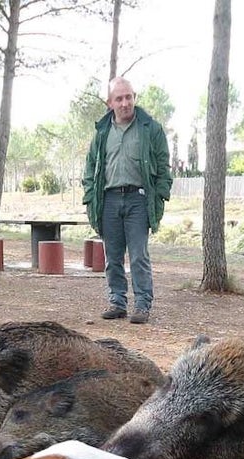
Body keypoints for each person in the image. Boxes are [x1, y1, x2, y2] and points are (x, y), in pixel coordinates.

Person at [83, 77, 172, 324]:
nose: (125, 103)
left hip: (138, 200)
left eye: (129, 97)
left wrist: (161, 195)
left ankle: (142, 305)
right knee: (112, 256)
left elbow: (164, 166)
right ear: (110, 102)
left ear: (134, 97)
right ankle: (117, 302)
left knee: (138, 256)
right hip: (108, 199)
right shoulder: (102, 132)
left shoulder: (150, 129)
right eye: (119, 98)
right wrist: (91, 198)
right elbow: (90, 168)